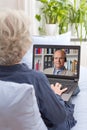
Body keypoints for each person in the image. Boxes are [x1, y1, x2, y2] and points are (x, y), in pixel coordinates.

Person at [0, 9, 76, 130]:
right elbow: (59, 117)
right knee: (64, 114)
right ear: (24, 47)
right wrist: (56, 96)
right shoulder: (36, 78)